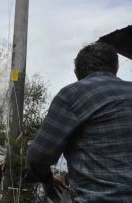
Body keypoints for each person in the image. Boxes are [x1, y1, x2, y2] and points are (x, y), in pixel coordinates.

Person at [27, 42, 132, 202]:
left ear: (77, 74)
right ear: (116, 68)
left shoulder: (72, 95)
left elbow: (38, 156)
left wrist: (46, 179)